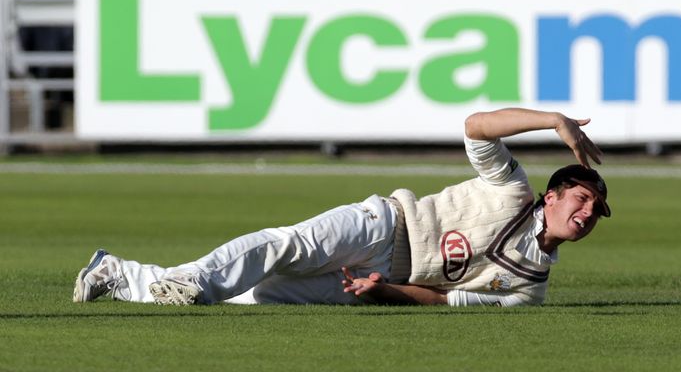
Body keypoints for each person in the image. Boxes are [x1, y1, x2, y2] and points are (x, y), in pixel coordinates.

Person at [73, 108, 611, 307]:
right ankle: (189, 281)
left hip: (376, 278)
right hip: (383, 225)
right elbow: (476, 127)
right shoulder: (513, 189)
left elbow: (445, 303)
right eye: (583, 198)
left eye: (596, 211)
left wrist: (385, 292)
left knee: (255, 297)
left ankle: (118, 274)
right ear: (554, 194)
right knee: (286, 244)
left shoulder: (529, 289)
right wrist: (553, 120)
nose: (587, 214)